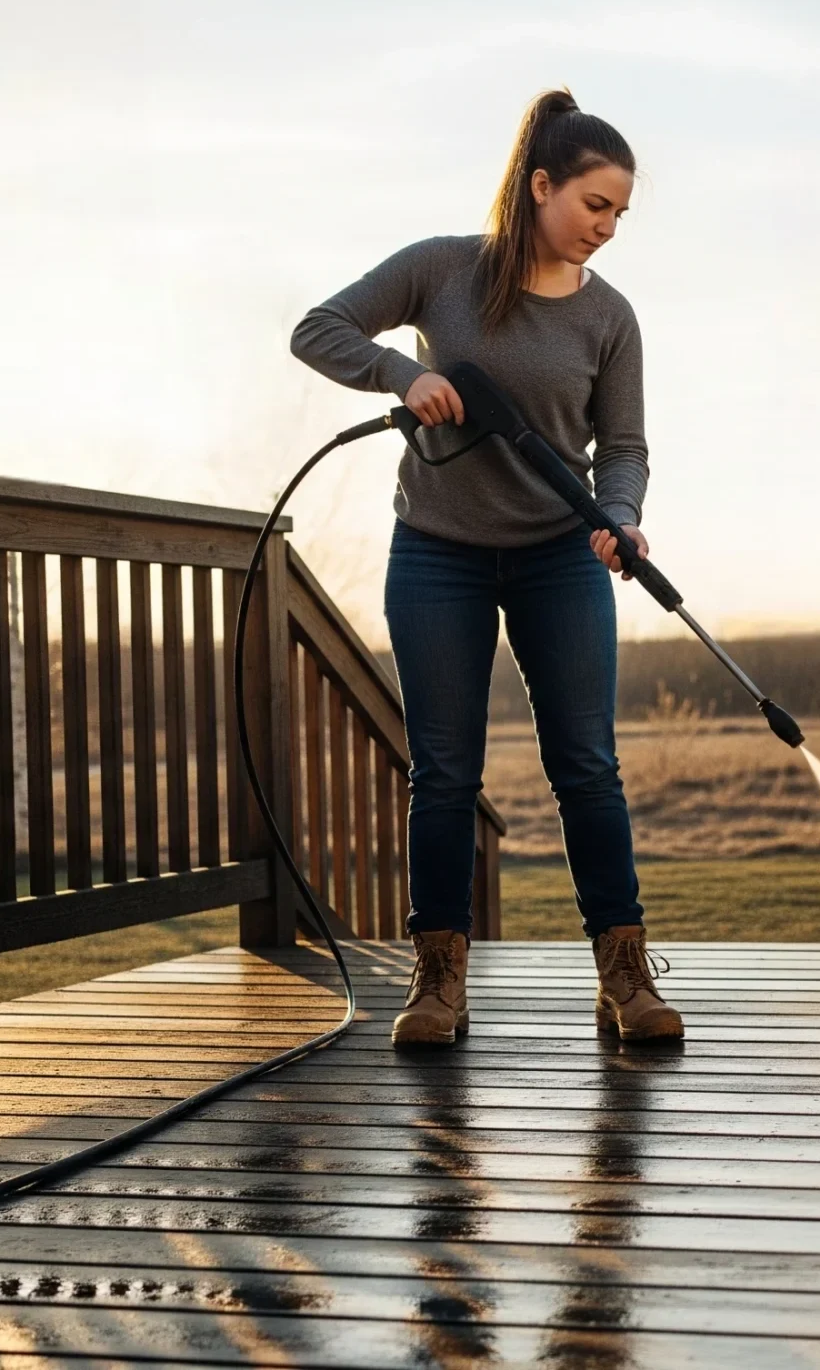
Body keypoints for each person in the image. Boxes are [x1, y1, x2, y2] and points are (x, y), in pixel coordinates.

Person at [289, 88, 681, 1047]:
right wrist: (402, 374)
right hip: (438, 557)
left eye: (621, 213)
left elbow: (623, 448)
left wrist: (619, 518)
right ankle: (437, 985)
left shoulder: (611, 318)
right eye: (596, 204)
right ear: (540, 185)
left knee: (587, 767)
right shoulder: (441, 271)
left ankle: (624, 976)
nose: (607, 227)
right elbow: (318, 328)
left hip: (560, 558)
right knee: (445, 775)